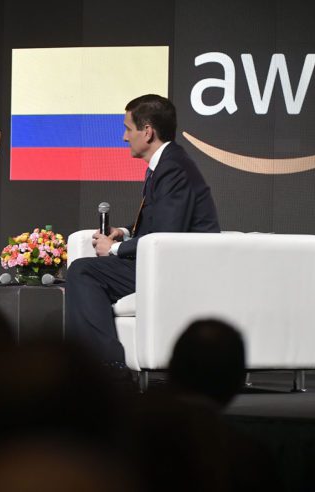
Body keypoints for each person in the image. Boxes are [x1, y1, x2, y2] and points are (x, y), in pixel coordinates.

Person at [65, 94, 220, 369]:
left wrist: (112, 249)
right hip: (160, 262)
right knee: (86, 271)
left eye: (128, 129)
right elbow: (159, 221)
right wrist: (124, 232)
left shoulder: (173, 167)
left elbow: (167, 234)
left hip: (176, 268)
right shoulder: (167, 163)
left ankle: (108, 366)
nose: (125, 137)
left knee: (83, 271)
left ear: (147, 131)